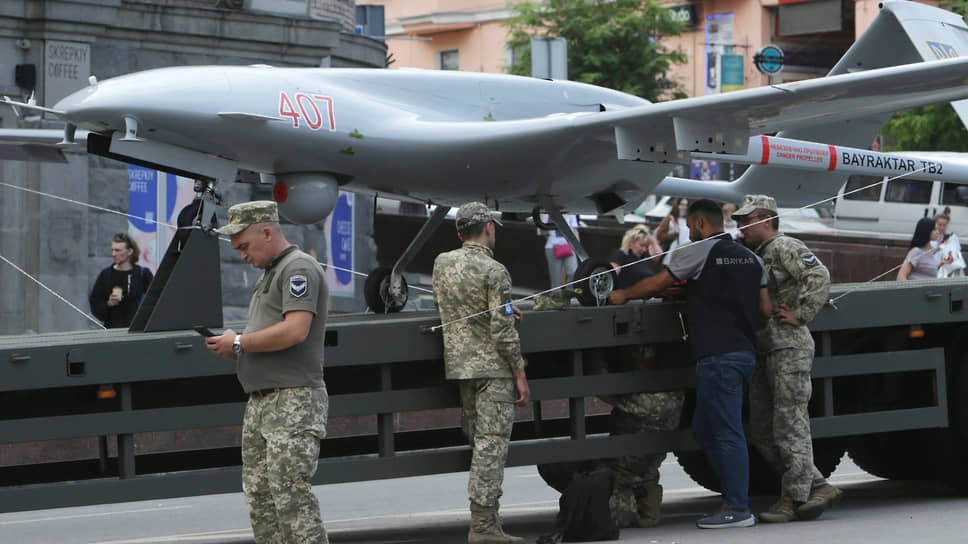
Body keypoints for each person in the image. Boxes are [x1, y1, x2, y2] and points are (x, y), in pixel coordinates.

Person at [609, 199, 770, 529]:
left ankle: (738, 507)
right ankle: (734, 494)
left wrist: (622, 296)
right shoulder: (752, 258)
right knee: (704, 429)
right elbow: (765, 309)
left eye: (690, 226)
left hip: (717, 355)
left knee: (726, 431)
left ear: (698, 223)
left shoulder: (699, 252)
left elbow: (658, 284)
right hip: (743, 352)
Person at [204, 201, 330, 544]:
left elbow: (295, 331)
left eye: (244, 246)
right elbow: (271, 338)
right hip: (264, 403)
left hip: (292, 400)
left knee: (291, 499)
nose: (242, 256)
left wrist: (240, 343)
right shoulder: (272, 273)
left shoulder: (297, 268)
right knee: (262, 500)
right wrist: (236, 349)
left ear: (266, 231)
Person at [732, 194, 842, 523]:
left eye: (746, 220)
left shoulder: (784, 247)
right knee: (764, 429)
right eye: (738, 221)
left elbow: (819, 276)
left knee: (789, 425)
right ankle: (817, 485)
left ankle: (793, 498)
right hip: (767, 348)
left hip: (789, 346)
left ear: (766, 219)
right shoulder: (757, 254)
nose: (740, 227)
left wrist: (801, 313)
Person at [433, 202, 531, 544]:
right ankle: (484, 528)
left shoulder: (442, 263)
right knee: (491, 449)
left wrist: (499, 308)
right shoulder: (495, 271)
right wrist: (519, 371)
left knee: (480, 445)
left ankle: (488, 524)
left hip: (461, 368)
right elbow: (503, 330)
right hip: (493, 370)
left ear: (461, 233)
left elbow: (452, 305)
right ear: (488, 227)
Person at [89, 232, 154, 328]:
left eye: (118, 250)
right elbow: (95, 303)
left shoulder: (143, 274)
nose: (113, 254)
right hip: (113, 331)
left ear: (130, 251)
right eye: (112, 250)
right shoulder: (106, 275)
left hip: (137, 331)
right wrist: (108, 303)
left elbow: (154, 301)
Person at [608, 225, 662, 289]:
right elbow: (610, 278)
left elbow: (659, 254)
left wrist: (652, 238)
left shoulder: (644, 260)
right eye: (641, 245)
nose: (644, 250)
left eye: (646, 247)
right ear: (631, 243)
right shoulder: (620, 255)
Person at [540, 213, 580, 288]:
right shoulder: (546, 213)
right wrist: (550, 219)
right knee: (556, 277)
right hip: (553, 246)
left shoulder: (570, 212)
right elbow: (543, 232)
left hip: (569, 246)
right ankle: (557, 297)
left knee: (573, 272)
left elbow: (575, 230)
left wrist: (578, 248)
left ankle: (570, 294)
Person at [656, 198, 690, 265]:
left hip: (685, 255)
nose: (684, 207)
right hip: (671, 256)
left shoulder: (688, 219)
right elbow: (659, 236)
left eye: (686, 205)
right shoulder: (670, 219)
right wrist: (674, 234)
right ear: (676, 205)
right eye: (682, 205)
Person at [933, 209, 965, 278]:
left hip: (948, 269)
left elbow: (956, 253)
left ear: (947, 225)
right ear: (935, 224)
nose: (941, 227)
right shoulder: (931, 237)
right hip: (934, 268)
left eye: (944, 225)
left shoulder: (952, 237)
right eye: (939, 225)